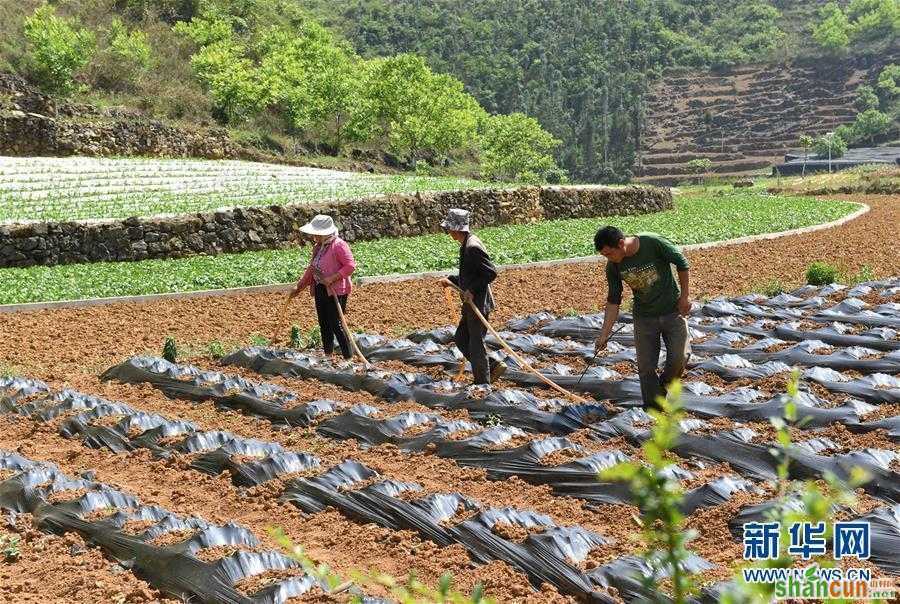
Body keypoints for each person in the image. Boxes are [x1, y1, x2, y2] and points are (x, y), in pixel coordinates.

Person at [592, 226, 691, 408]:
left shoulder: (652, 242)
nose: (608, 258)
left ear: (621, 243)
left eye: (609, 253)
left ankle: (662, 388)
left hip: (672, 310)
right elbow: (614, 300)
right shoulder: (613, 266)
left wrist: (684, 297)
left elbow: (682, 263)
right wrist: (604, 334)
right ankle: (652, 410)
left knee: (680, 356)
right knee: (646, 368)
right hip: (644, 317)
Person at [438, 208, 507, 385]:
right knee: (461, 338)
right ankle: (491, 365)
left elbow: (490, 273)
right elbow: (471, 274)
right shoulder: (467, 244)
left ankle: (482, 384)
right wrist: (452, 280)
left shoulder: (472, 247)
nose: (448, 233)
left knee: (475, 345)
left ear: (456, 229)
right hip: (471, 302)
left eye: (449, 229)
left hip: (478, 303)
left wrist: (472, 290)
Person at [290, 214, 357, 359]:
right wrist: (299, 287)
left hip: (336, 291)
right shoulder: (318, 248)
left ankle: (348, 358)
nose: (314, 236)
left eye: (316, 233)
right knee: (323, 323)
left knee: (336, 324)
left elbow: (350, 266)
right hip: (320, 288)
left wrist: (332, 278)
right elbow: (312, 269)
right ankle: (328, 355)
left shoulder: (339, 245)